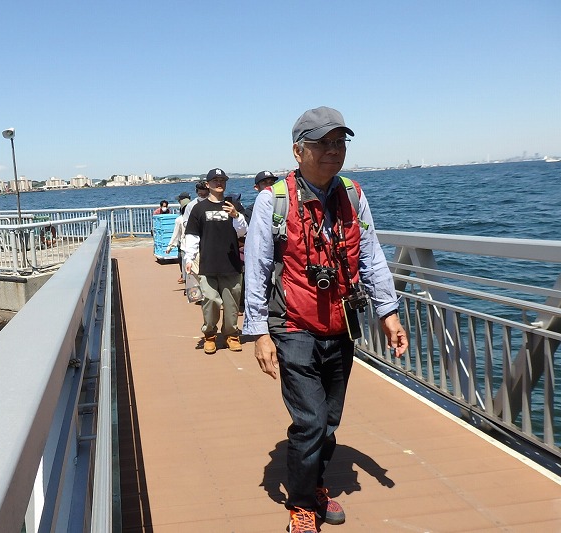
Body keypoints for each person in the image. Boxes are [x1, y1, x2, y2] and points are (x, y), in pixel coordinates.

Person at [243, 107, 408, 533]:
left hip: (341, 323)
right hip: (293, 324)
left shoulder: (352, 194)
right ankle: (300, 505)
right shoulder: (272, 200)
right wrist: (258, 333)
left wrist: (388, 312)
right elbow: (256, 268)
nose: (333, 151)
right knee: (310, 420)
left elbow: (370, 255)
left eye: (339, 142)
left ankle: (314, 483)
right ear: (298, 151)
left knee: (330, 418)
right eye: (322, 143)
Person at [183, 168, 247, 354]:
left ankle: (231, 334)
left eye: (222, 180)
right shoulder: (198, 208)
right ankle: (209, 334)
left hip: (231, 264)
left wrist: (236, 215)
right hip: (208, 264)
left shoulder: (233, 205)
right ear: (207, 184)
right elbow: (192, 235)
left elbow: (243, 231)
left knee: (232, 303)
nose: (219, 183)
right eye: (215, 180)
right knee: (210, 300)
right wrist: (189, 258)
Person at [166, 198, 191, 283]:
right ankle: (188, 285)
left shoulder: (194, 218)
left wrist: (169, 247)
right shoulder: (179, 220)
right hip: (185, 246)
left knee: (188, 268)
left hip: (191, 246)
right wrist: (170, 246)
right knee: (187, 268)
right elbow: (175, 234)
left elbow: (175, 235)